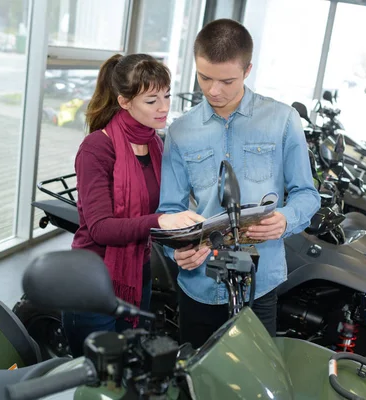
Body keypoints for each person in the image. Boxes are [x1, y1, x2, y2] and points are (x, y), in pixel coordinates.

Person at [157, 19, 321, 348]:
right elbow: (169, 210)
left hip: (258, 283)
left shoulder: (283, 120)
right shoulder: (180, 131)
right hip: (199, 284)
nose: (214, 90)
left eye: (227, 80)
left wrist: (285, 220)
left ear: (247, 70)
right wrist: (177, 249)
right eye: (205, 78)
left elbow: (307, 193)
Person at [62, 53, 204, 357]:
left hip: (137, 272)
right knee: (98, 377)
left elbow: (163, 205)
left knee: (131, 365)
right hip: (94, 281)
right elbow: (100, 229)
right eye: (152, 100)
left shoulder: (153, 142)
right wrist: (160, 220)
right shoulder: (97, 148)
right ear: (124, 101)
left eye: (166, 96)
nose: (164, 107)